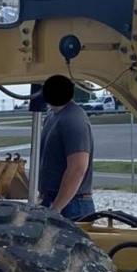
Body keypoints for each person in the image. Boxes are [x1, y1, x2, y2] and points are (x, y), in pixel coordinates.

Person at [36, 74, 94, 220]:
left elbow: (77, 168)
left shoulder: (74, 119)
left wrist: (56, 208)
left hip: (72, 205)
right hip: (54, 200)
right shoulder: (52, 117)